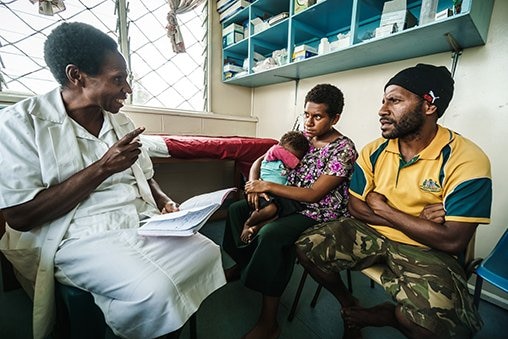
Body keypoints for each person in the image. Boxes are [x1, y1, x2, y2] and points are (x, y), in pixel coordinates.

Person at [0, 22, 226, 339]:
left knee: (207, 251)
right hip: (75, 233)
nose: (128, 89)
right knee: (156, 289)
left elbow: (146, 175)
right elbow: (20, 217)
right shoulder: (18, 123)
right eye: (117, 79)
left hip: (137, 217)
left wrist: (163, 201)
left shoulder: (120, 121)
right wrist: (103, 168)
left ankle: (150, 323)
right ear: (76, 75)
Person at [295, 64, 492, 339]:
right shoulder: (374, 150)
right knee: (307, 247)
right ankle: (349, 304)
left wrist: (383, 208)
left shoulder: (467, 159)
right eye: (383, 100)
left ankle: (388, 316)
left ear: (429, 105)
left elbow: (452, 240)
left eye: (395, 100)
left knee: (443, 330)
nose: (382, 110)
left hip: (428, 250)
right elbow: (354, 207)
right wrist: (416, 221)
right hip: (374, 233)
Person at [222, 83, 358, 339]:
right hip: (285, 198)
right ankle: (242, 264)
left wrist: (268, 185)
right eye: (306, 114)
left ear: (335, 118)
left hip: (316, 211)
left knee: (272, 234)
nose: (309, 122)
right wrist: (252, 185)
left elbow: (314, 194)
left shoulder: (343, 150)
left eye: (317, 117)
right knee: (238, 210)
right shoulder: (302, 135)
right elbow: (265, 158)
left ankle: (269, 322)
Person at [240, 130, 310, 243]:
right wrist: (298, 163)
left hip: (278, 193)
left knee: (282, 214)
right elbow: (286, 157)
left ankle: (256, 227)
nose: (288, 159)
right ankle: (247, 224)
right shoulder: (273, 152)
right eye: (288, 154)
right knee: (271, 209)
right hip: (262, 190)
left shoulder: (294, 153)